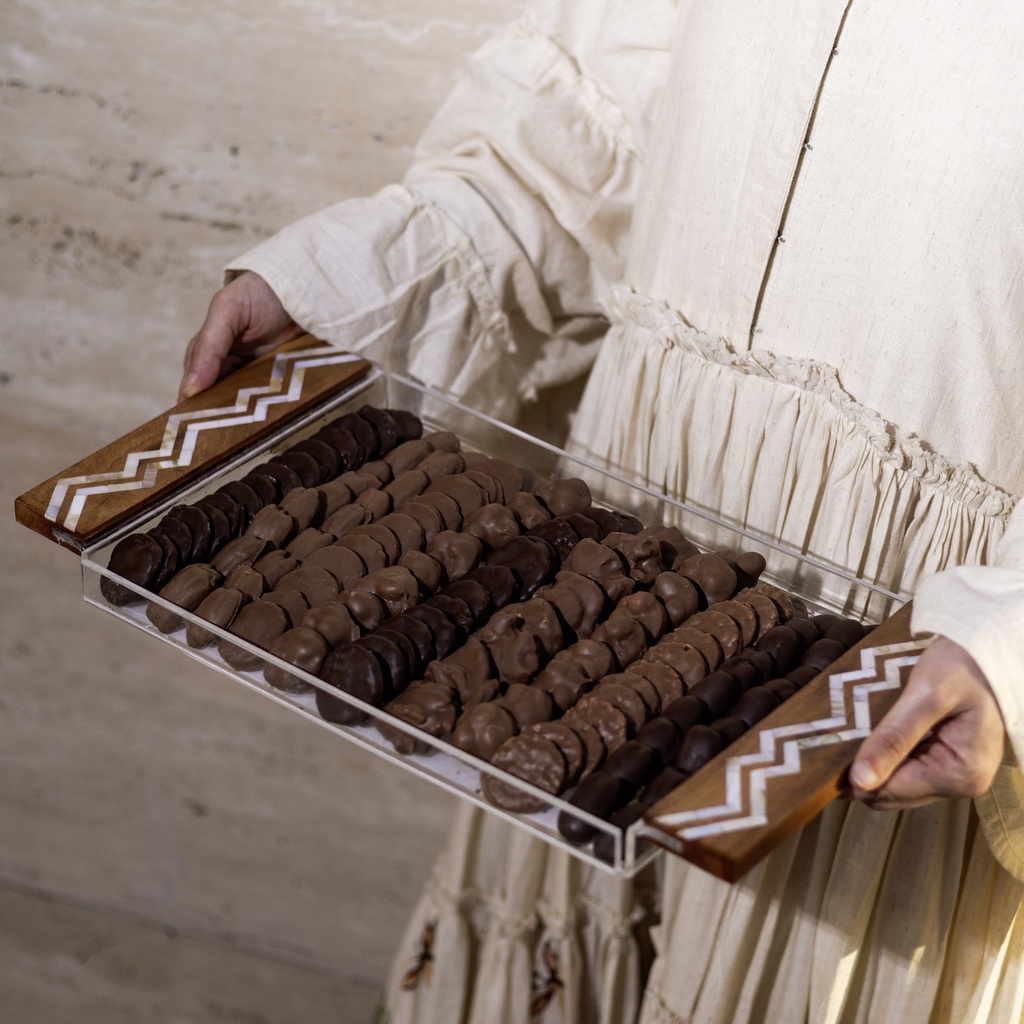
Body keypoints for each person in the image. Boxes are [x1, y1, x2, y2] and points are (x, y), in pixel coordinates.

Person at [180, 2, 1024, 1021]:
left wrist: (1004, 642)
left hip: (906, 655)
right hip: (621, 559)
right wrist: (346, 285)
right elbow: (584, 134)